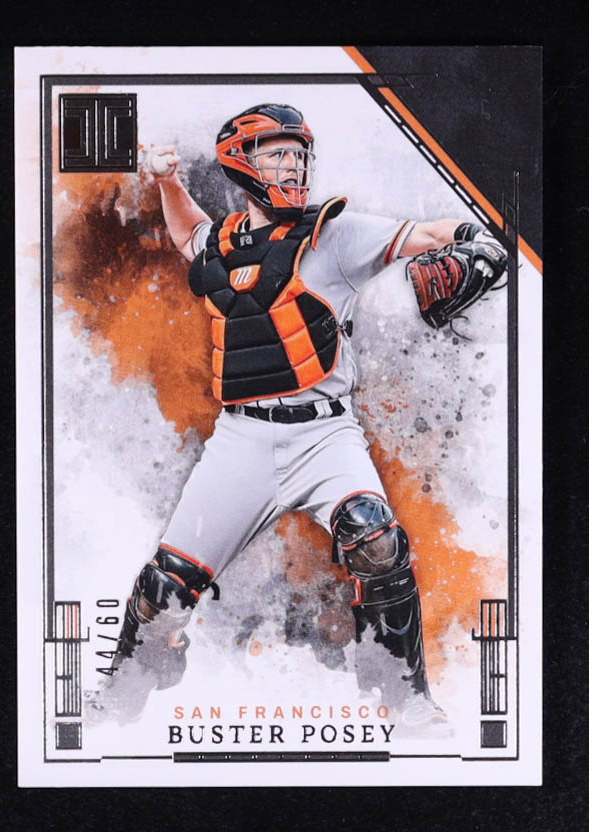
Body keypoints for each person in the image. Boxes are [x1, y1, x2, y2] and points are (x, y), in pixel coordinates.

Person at [87, 103, 507, 730]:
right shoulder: (224, 242)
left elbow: (423, 235)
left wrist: (475, 239)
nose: (293, 165)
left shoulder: (334, 234)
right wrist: (169, 183)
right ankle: (117, 701)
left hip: (324, 433)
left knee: (375, 539)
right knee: (163, 588)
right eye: (277, 154)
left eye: (298, 154)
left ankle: (405, 701)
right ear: (240, 162)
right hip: (242, 439)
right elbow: (188, 235)